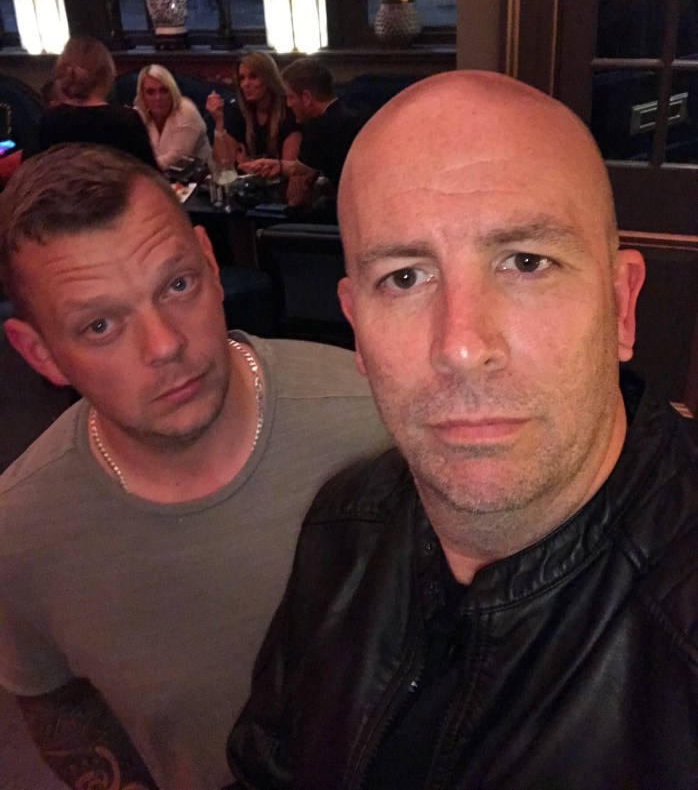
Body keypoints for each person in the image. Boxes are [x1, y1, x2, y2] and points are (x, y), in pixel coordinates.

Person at [227, 71, 698, 789]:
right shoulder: (342, 526)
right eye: (405, 277)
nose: (462, 346)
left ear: (621, 307)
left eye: (527, 262)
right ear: (356, 329)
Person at [0, 143, 390, 790]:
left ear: (210, 264)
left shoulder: (378, 422)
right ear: (40, 353)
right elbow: (59, 707)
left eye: (177, 285)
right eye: (100, 325)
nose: (165, 345)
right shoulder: (19, 534)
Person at [245, 57, 359, 211]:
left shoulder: (319, 127)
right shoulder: (349, 114)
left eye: (290, 97)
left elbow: (296, 198)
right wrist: (279, 166)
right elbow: (308, 167)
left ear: (306, 98)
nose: (288, 104)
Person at [38, 36, 157, 168]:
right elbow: (150, 174)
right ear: (107, 73)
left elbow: (31, 171)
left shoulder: (50, 120)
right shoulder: (126, 121)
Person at [205, 51, 301, 168]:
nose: (245, 84)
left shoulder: (289, 110)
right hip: (246, 178)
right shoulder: (238, 110)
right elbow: (223, 165)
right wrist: (219, 122)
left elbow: (291, 170)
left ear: (269, 78)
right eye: (242, 78)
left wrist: (249, 166)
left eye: (253, 77)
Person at [134, 63, 212, 171]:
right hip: (155, 176)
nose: (158, 97)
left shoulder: (186, 111)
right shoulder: (138, 114)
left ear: (172, 91)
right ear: (142, 95)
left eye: (163, 90)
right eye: (150, 92)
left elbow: (175, 159)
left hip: (198, 176)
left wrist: (136, 168)